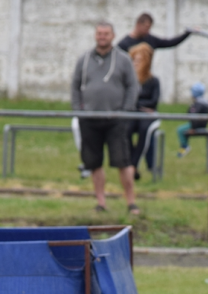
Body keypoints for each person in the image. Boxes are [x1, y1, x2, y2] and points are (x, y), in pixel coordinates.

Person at [71, 22, 140, 214]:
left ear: (113, 35)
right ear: (95, 35)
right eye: (99, 33)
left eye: (106, 33)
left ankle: (131, 203)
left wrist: (125, 110)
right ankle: (101, 203)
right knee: (94, 163)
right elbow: (75, 86)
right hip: (90, 120)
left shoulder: (123, 59)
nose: (102, 36)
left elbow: (132, 86)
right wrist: (78, 110)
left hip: (115, 120)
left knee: (123, 161)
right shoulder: (84, 59)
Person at [126, 43, 160, 179]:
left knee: (144, 130)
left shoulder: (153, 81)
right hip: (133, 114)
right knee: (124, 130)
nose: (135, 63)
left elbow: (154, 101)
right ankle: (131, 165)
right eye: (133, 60)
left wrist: (136, 104)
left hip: (147, 116)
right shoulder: (129, 80)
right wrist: (139, 105)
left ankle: (133, 166)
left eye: (139, 60)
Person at [117, 12, 192, 53]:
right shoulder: (123, 44)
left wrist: (187, 33)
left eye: (149, 28)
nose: (148, 31)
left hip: (144, 77)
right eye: (146, 27)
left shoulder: (150, 39)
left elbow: (170, 43)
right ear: (138, 24)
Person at [175, 82, 208, 158]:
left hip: (197, 126)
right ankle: (184, 146)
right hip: (198, 124)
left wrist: (193, 128)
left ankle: (184, 146)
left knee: (180, 130)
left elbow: (194, 116)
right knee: (182, 129)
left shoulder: (199, 103)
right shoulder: (203, 102)